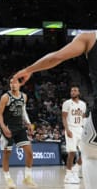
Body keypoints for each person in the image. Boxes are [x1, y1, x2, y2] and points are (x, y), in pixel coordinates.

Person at [12, 31, 97, 189]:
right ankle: (71, 173)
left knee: (90, 156)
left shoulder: (90, 37)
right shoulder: (67, 103)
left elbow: (56, 57)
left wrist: (29, 69)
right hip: (74, 128)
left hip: (91, 128)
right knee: (76, 152)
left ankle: (76, 173)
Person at [0, 78, 37, 188]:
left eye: (15, 83)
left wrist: (28, 123)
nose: (13, 85)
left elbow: (23, 111)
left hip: (19, 127)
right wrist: (3, 127)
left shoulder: (24, 96)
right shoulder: (5, 97)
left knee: (29, 152)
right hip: (8, 128)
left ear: (20, 84)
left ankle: (27, 177)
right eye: (11, 83)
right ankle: (8, 179)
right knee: (7, 154)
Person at [62, 86, 86, 184]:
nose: (73, 92)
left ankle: (75, 170)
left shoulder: (83, 104)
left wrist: (85, 129)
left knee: (85, 152)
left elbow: (83, 117)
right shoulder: (67, 103)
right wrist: (67, 129)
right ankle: (67, 176)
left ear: (79, 92)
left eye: (75, 90)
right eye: (71, 90)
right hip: (71, 128)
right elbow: (64, 117)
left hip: (80, 129)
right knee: (72, 152)